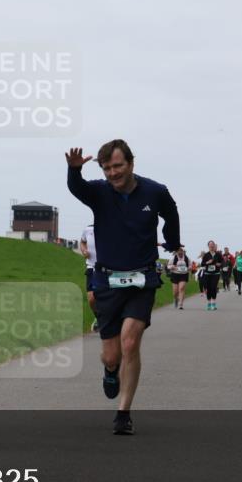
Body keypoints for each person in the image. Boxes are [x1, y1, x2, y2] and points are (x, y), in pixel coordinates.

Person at [66, 140, 180, 435]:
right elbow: (77, 189)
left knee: (131, 341)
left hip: (142, 278)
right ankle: (110, 370)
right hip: (106, 280)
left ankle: (124, 412)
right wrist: (74, 171)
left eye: (117, 166)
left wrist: (171, 239)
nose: (113, 173)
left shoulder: (155, 191)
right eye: (106, 169)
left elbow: (171, 213)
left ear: (131, 163)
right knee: (112, 354)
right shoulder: (100, 192)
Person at [80, 224, 99, 331]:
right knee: (91, 299)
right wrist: (84, 251)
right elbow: (82, 242)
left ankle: (110, 319)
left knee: (107, 297)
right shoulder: (88, 229)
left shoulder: (112, 226)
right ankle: (98, 318)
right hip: (91, 267)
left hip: (107, 268)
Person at [199, 241, 224, 310]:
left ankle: (213, 303)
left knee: (213, 287)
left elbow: (222, 262)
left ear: (214, 246)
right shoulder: (206, 255)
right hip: (207, 274)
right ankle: (209, 303)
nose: (212, 246)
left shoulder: (218, 254)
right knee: (208, 288)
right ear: (208, 246)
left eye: (213, 245)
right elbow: (202, 264)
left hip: (216, 273)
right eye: (210, 245)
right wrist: (207, 262)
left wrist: (219, 264)